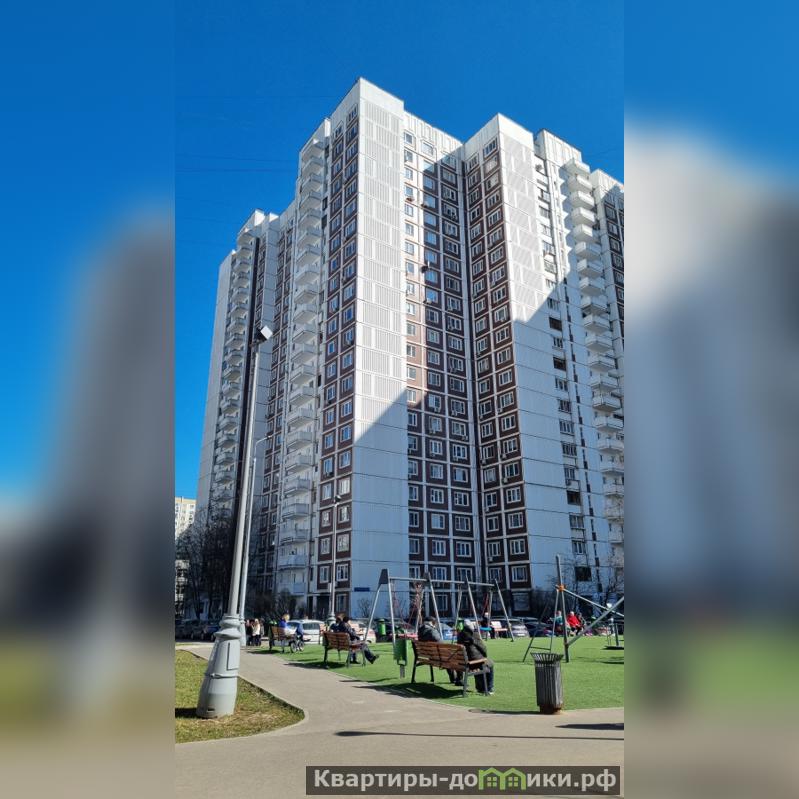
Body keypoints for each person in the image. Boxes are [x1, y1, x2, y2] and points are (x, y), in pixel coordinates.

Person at [418, 616, 459, 685]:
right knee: (451, 657)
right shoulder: (432, 631)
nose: (435, 624)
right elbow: (441, 643)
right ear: (431, 623)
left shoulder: (420, 631)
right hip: (437, 657)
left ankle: (454, 678)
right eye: (434, 622)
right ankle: (456, 679)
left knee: (446, 657)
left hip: (428, 655)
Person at [457, 620, 494, 694]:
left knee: (478, 662)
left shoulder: (460, 635)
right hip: (472, 663)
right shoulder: (474, 634)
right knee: (490, 663)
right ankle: (489, 688)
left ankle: (480, 687)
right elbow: (483, 648)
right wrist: (485, 655)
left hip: (464, 663)